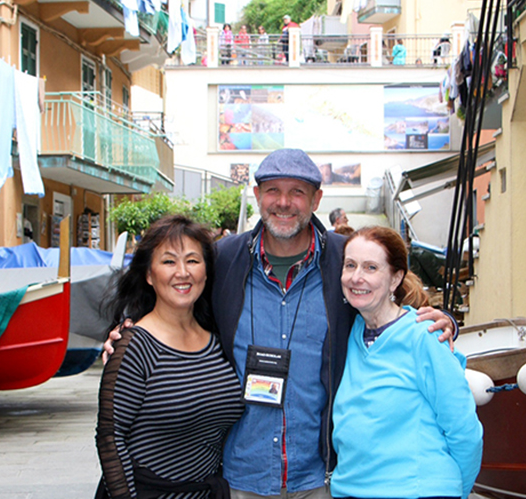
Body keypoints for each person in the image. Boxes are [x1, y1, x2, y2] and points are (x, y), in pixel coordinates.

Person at [105, 149, 456, 499]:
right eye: (273, 190)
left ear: (316, 199)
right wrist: (126, 333)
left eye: (297, 192)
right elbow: (176, 294)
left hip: (320, 477)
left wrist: (443, 321)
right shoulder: (224, 258)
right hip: (242, 475)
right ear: (258, 196)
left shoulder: (344, 260)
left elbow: (396, 299)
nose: (284, 202)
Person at [95, 215, 244, 499]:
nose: (182, 272)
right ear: (149, 275)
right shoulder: (135, 345)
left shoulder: (218, 339)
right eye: (168, 261)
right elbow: (110, 439)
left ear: (206, 271)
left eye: (192, 260)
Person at [331, 226, 482, 499]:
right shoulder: (350, 332)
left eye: (371, 268)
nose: (356, 277)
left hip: (417, 491)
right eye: (350, 265)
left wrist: (457, 491)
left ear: (395, 278)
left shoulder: (423, 337)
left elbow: (464, 429)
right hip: (351, 490)